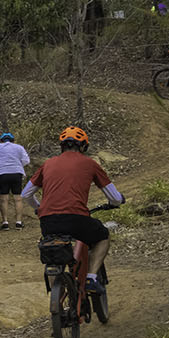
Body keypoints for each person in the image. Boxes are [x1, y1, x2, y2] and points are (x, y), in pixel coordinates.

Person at [21, 125, 124, 296]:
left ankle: (59, 300)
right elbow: (114, 197)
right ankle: (91, 277)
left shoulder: (48, 164)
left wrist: (39, 208)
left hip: (48, 220)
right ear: (83, 146)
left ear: (62, 145)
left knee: (53, 253)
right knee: (103, 236)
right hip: (77, 218)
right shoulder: (90, 164)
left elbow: (26, 194)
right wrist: (118, 201)